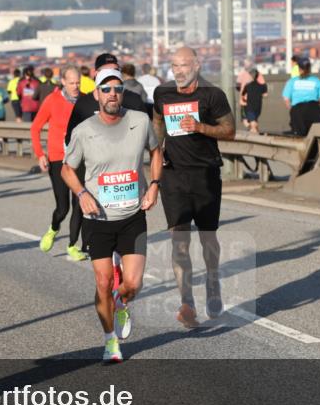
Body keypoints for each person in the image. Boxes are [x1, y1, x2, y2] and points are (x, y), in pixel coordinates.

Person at [61, 67, 162, 362]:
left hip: (132, 215)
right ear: (96, 94)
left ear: (122, 93)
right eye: (105, 89)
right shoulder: (84, 131)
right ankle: (110, 341)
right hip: (98, 220)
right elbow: (67, 168)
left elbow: (157, 152)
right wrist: (81, 194)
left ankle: (122, 302)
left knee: (132, 284)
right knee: (103, 282)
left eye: (117, 89)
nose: (112, 94)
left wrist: (154, 185)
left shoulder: (140, 121)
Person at [153, 47, 235, 328]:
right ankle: (187, 302)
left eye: (184, 65)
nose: (178, 70)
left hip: (205, 174)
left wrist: (200, 127)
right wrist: (157, 147)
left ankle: (213, 282)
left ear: (197, 66)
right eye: (174, 65)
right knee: (180, 242)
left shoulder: (213, 95)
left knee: (208, 239)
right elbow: (158, 121)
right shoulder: (162, 93)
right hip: (173, 176)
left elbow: (229, 130)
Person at [31, 65, 86, 261]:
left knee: (79, 203)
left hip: (80, 159)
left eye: (78, 82)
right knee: (63, 208)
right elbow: (35, 127)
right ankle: (53, 229)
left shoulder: (85, 100)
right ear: (62, 81)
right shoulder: (52, 100)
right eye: (71, 83)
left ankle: (72, 245)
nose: (75, 86)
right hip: (57, 159)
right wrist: (40, 154)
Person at [282, 57, 320, 137]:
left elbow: (286, 99)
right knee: (316, 138)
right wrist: (318, 109)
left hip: (298, 111)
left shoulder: (292, 82)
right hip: (314, 110)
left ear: (299, 68)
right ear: (309, 68)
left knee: (299, 138)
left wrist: (293, 111)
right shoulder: (316, 81)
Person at [239, 68, 267, 134]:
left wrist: (243, 101)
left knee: (251, 122)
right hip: (258, 106)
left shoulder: (247, 86)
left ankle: (254, 132)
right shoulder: (262, 86)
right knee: (253, 120)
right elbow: (265, 94)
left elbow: (243, 94)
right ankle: (254, 130)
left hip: (249, 106)